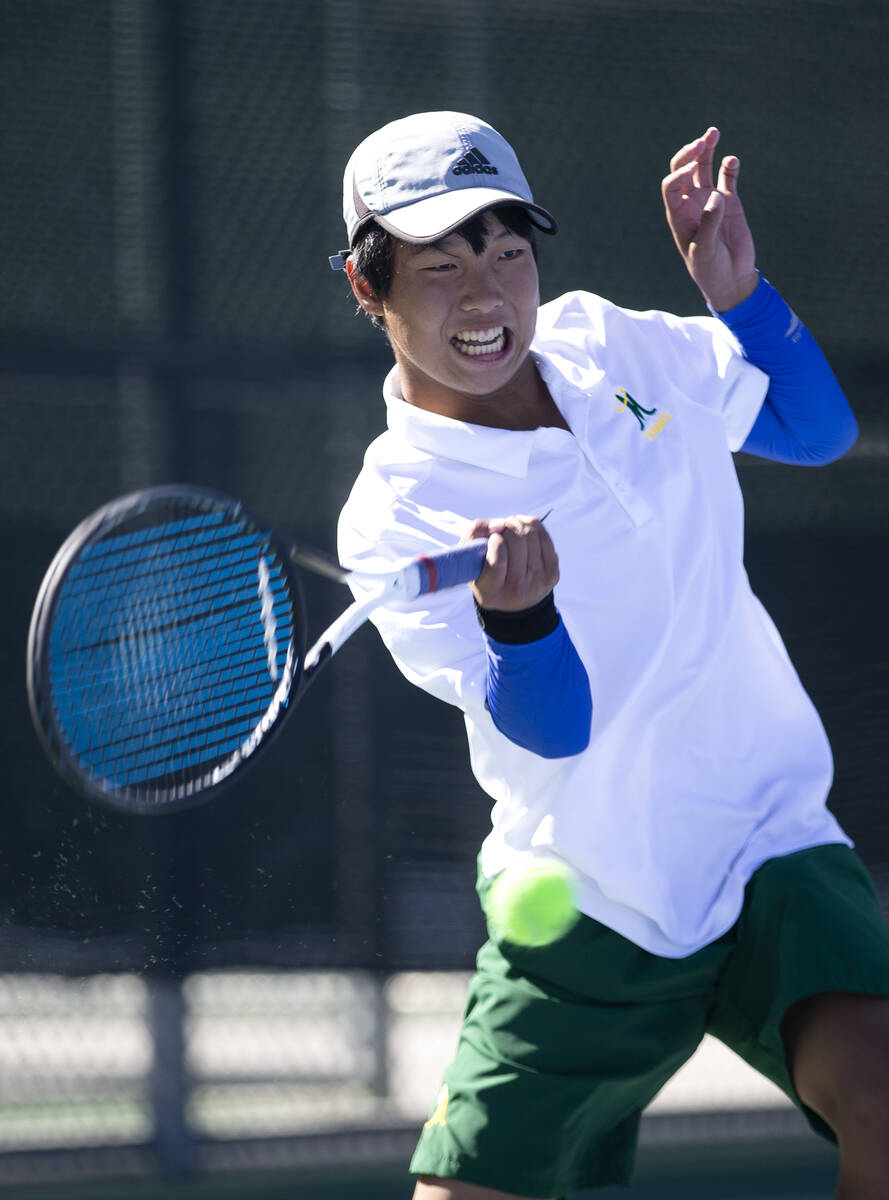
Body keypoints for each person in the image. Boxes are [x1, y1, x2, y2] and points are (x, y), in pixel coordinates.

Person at [330, 111, 889, 1199]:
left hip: (766, 832)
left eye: (506, 254)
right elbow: (555, 728)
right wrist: (520, 620)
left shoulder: (607, 341)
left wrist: (739, 295)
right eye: (440, 267)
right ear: (370, 289)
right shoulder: (392, 514)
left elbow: (813, 430)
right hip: (589, 891)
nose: (486, 297)